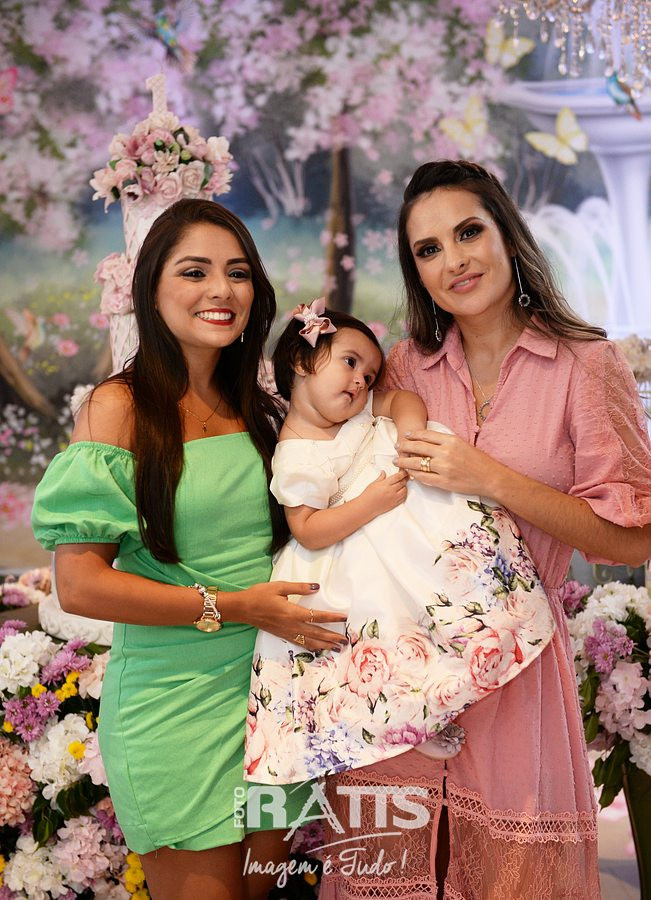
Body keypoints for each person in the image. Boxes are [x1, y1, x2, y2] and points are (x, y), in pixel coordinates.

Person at [319, 160, 651, 900]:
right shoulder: (402, 369)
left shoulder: (585, 365)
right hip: (395, 679)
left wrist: (491, 478)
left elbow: (632, 538)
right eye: (428, 249)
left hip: (518, 681)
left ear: (506, 232)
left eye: (468, 232)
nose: (454, 260)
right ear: (415, 271)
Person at [31, 198, 348, 900]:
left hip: (272, 699)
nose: (220, 290)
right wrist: (236, 606)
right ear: (152, 290)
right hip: (174, 707)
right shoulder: (118, 408)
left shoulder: (262, 410)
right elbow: (80, 586)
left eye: (238, 272)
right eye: (195, 271)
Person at [245, 301, 554, 785]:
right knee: (381, 625)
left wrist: (410, 438)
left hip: (407, 525)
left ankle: (484, 634)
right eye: (350, 363)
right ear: (302, 363)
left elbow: (403, 400)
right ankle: (406, 718)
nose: (361, 382)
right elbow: (306, 528)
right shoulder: (295, 455)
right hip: (350, 543)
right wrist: (366, 505)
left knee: (436, 594)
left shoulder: (361, 410)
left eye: (369, 375)